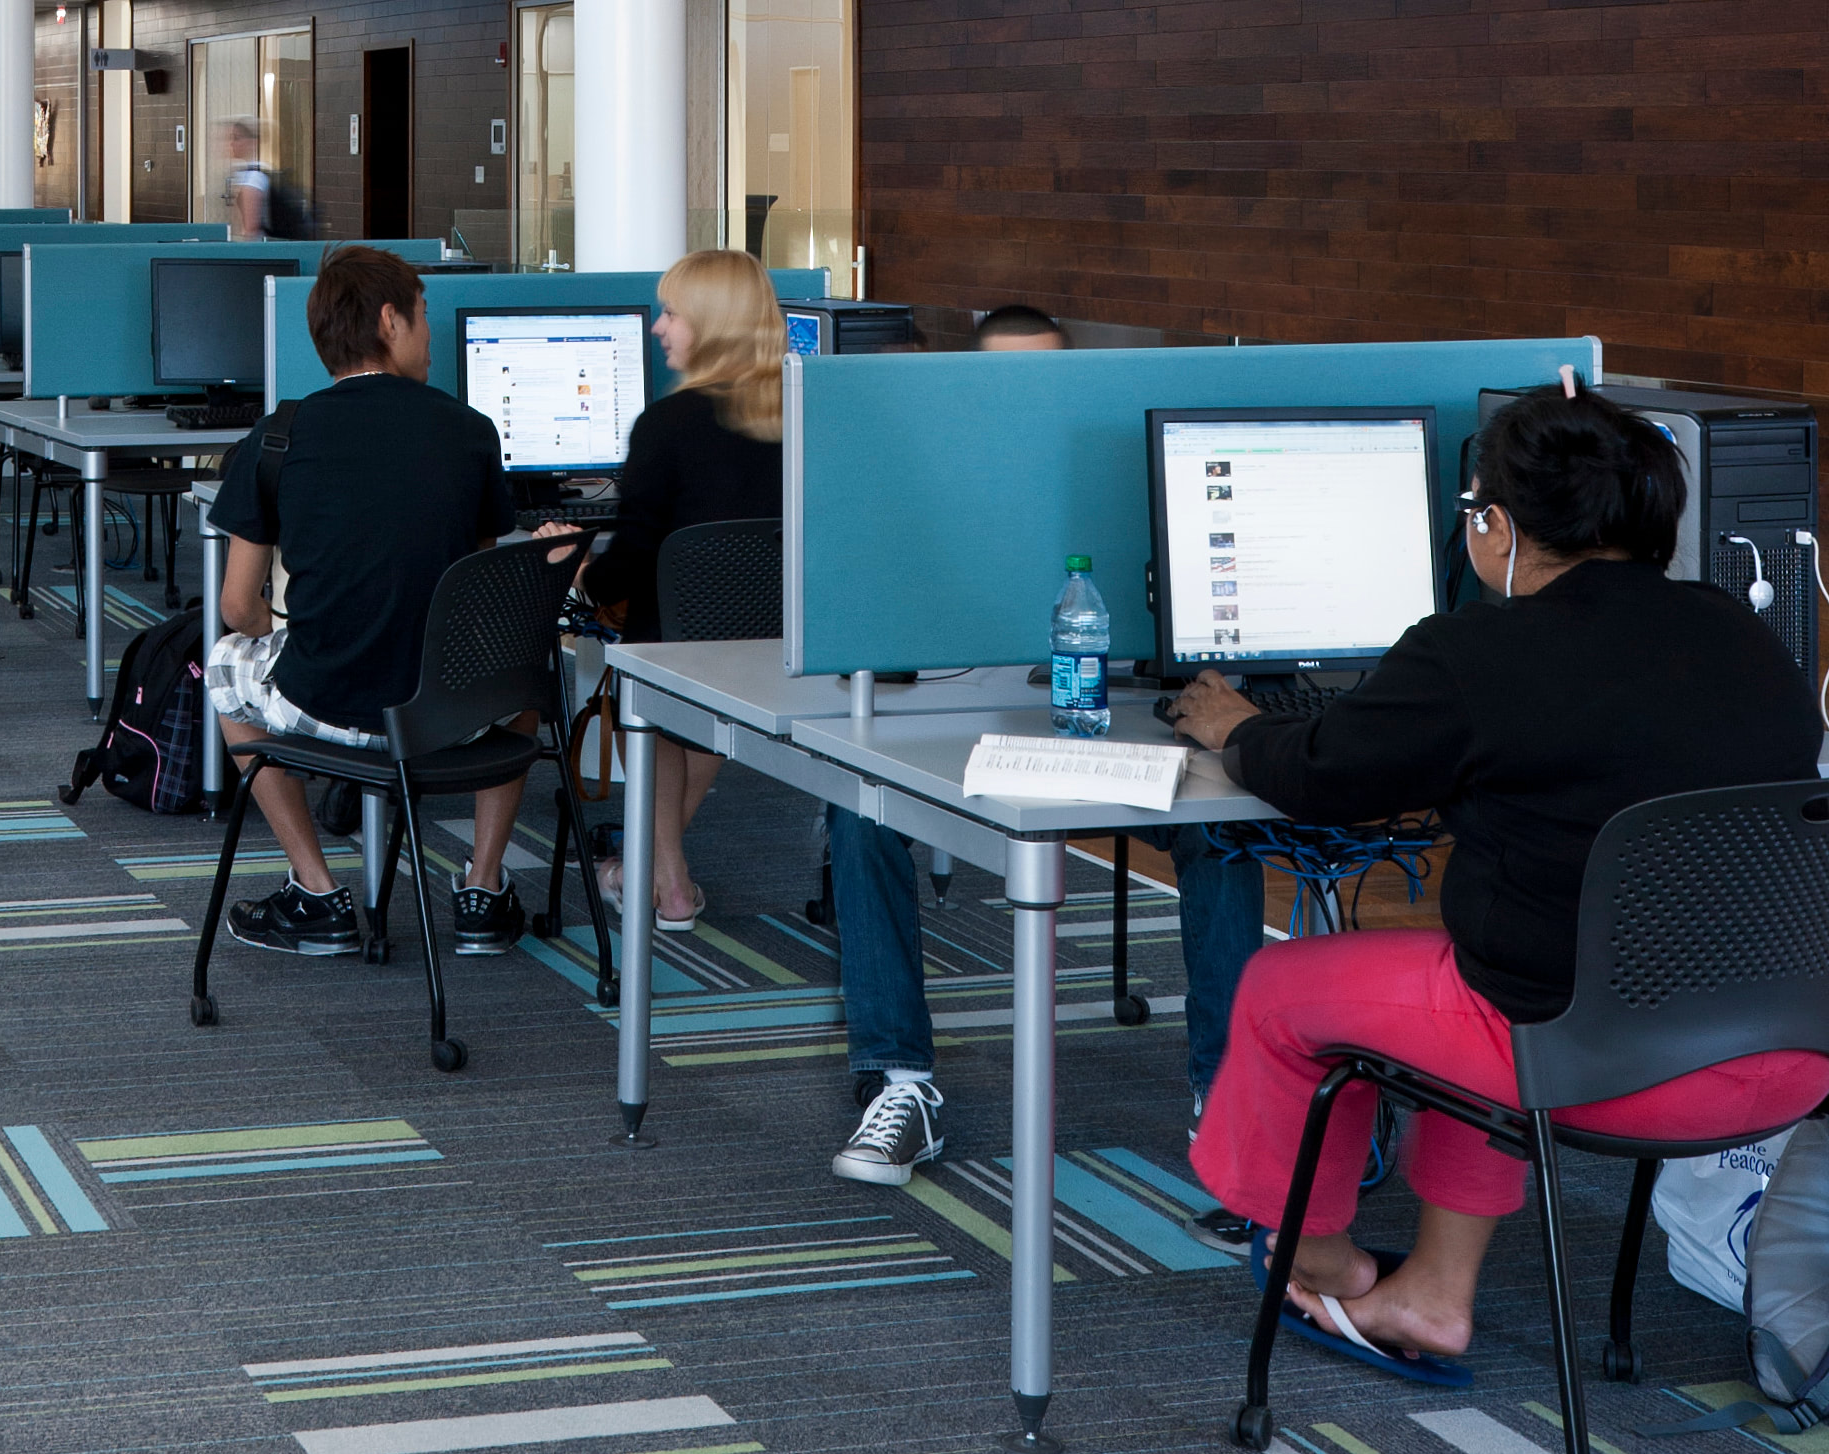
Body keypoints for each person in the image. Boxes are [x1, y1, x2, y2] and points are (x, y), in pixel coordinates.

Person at [1180, 379, 1829, 1375]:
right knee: (1485, 972)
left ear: (1495, 524)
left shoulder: (1478, 651)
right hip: (1783, 1059)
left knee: (1285, 990)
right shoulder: (1742, 634)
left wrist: (1235, 726)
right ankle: (1434, 1296)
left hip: (1597, 1065)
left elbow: (1316, 778)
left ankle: (1310, 1256)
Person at [827, 299, 1269, 1188]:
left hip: (1108, 715)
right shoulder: (927, 479)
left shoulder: (1121, 471)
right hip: (959, 717)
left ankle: (1228, 1098)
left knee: (1223, 835)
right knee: (859, 813)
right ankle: (901, 1081)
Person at [204, 241, 579, 958]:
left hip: (326, 700)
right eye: (423, 315)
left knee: (226, 667)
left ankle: (316, 893)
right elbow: (472, 592)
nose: (430, 333)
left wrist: (300, 627)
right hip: (443, 716)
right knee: (523, 664)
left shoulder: (278, 437)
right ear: (389, 321)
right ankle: (483, 887)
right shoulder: (469, 433)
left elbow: (236, 609)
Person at [584, 247, 786, 931]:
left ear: (711, 324)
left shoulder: (667, 426)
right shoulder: (809, 416)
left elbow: (635, 555)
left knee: (638, 673)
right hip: (781, 647)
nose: (657, 328)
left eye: (671, 313)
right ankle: (659, 874)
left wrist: (581, 574)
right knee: (677, 677)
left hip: (678, 654)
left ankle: (662, 883)